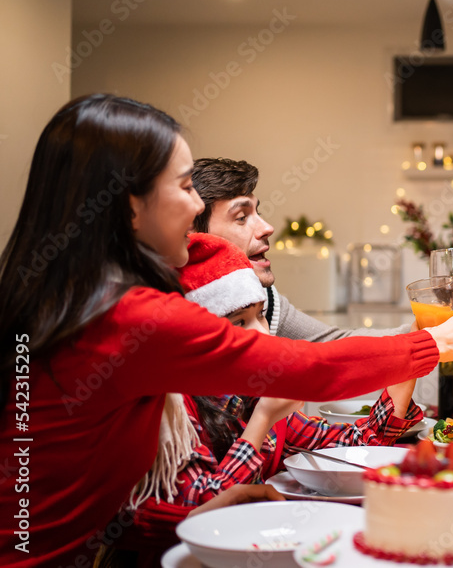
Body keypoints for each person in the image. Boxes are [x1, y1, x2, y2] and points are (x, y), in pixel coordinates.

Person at [0, 94, 453, 567]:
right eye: (187, 185)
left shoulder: (60, 300)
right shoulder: (131, 316)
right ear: (129, 206)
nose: (196, 207)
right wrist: (433, 343)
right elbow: (301, 367)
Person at [112, 233, 424, 564]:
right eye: (239, 322)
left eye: (260, 315)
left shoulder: (250, 394)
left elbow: (355, 445)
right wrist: (262, 420)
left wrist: (408, 368)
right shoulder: (175, 409)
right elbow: (204, 513)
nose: (262, 333)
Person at [191, 157, 409, 340]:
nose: (267, 228)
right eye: (241, 217)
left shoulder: (265, 301)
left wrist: (424, 334)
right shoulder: (170, 315)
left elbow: (332, 343)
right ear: (192, 236)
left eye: (259, 212)